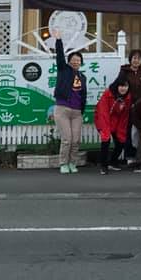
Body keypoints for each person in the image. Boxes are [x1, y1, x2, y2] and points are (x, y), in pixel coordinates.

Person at [50, 28, 87, 174]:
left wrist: (82, 110)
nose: (76, 61)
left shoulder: (82, 77)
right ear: (69, 61)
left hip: (77, 112)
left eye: (78, 60)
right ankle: (63, 163)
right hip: (62, 109)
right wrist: (58, 40)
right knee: (67, 139)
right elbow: (59, 55)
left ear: (81, 62)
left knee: (76, 140)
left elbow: (83, 94)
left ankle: (72, 163)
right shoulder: (63, 70)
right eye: (74, 59)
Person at [94, 77, 131, 175]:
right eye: (121, 86)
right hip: (102, 118)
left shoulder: (128, 97)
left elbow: (124, 116)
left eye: (126, 86)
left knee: (121, 141)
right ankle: (103, 165)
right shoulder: (107, 94)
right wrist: (105, 130)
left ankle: (113, 162)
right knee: (106, 140)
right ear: (117, 86)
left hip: (117, 121)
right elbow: (103, 112)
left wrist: (121, 130)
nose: (123, 88)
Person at [122, 49, 141, 164]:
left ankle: (140, 156)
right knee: (129, 132)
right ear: (130, 59)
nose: (136, 60)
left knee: (139, 131)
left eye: (139, 58)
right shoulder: (124, 72)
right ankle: (129, 156)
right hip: (128, 107)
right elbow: (121, 88)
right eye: (134, 58)